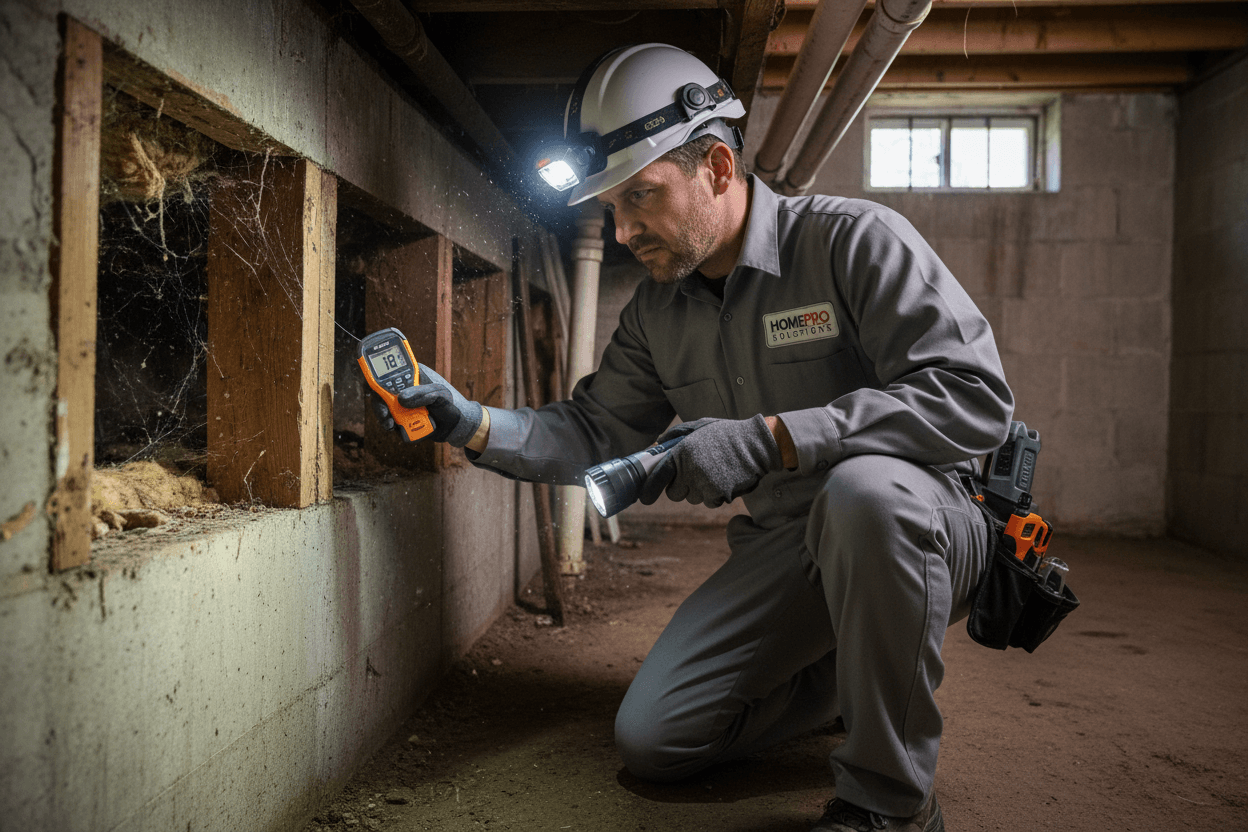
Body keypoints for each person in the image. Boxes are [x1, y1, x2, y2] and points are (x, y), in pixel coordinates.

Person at [376, 43, 1013, 832]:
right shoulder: (657, 314)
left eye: (639, 196)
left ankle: (890, 801)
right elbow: (594, 429)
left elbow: (975, 398)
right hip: (794, 544)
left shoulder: (854, 241)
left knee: (865, 493)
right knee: (657, 740)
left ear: (716, 166)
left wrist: (772, 438)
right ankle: (848, 676)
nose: (621, 231)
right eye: (610, 208)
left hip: (925, 523)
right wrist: (469, 420)